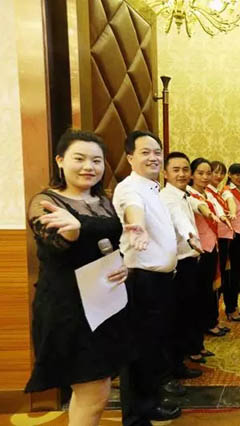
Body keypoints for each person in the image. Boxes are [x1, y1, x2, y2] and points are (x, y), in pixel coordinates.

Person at [24, 129, 130, 426]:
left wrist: (121, 263)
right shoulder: (46, 202)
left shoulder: (102, 200)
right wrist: (71, 233)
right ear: (60, 160)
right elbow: (54, 247)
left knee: (93, 391)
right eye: (79, 159)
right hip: (68, 309)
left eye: (96, 160)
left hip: (103, 304)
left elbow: (108, 244)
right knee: (93, 393)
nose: (89, 167)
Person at [113, 131, 182, 424]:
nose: (153, 158)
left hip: (160, 280)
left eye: (157, 152)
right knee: (138, 350)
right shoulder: (129, 188)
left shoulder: (154, 189)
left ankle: (150, 403)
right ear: (130, 157)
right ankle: (136, 417)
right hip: (141, 280)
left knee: (153, 345)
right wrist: (137, 226)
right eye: (145, 152)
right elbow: (134, 211)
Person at [159, 152, 208, 371]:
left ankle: (190, 350)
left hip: (191, 260)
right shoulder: (167, 198)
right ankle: (176, 366)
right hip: (180, 263)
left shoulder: (183, 194)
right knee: (179, 315)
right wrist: (191, 236)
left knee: (190, 310)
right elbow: (180, 221)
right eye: (176, 170)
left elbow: (197, 205)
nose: (182, 174)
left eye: (185, 169)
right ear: (165, 173)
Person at [188, 158, 230, 338]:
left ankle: (212, 320)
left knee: (212, 287)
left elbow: (218, 210)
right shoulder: (189, 194)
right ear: (192, 175)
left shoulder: (207, 193)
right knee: (203, 288)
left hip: (212, 245)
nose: (205, 177)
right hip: (200, 248)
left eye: (208, 173)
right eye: (200, 173)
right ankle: (206, 323)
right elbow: (202, 209)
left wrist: (223, 216)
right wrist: (211, 215)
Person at [205, 161, 235, 327]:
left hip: (223, 239)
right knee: (215, 282)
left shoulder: (217, 192)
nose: (218, 176)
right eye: (215, 172)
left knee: (221, 279)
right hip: (213, 241)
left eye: (221, 173)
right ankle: (212, 320)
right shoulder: (207, 193)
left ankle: (214, 318)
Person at [222, 163, 240, 321]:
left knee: (237, 273)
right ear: (230, 175)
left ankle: (234, 305)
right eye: (236, 174)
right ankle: (231, 308)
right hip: (234, 237)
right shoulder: (228, 191)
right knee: (232, 274)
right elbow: (231, 205)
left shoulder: (237, 190)